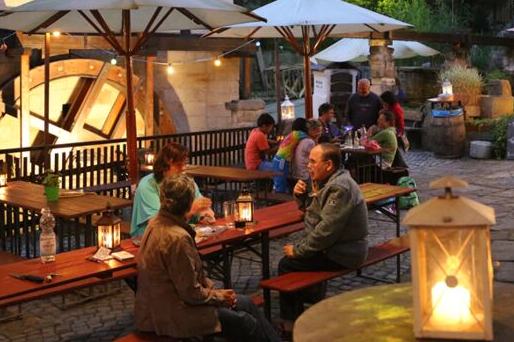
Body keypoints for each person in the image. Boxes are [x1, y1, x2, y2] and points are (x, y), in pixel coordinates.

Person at [135, 173, 280, 342]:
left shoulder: (158, 223)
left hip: (164, 305)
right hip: (171, 313)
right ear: (189, 204)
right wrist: (219, 297)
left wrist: (217, 293)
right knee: (246, 323)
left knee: (247, 303)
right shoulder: (177, 237)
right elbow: (191, 293)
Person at [277, 143, 368, 322]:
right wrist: (301, 196)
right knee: (298, 261)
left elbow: (326, 231)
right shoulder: (327, 181)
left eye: (313, 161)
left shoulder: (339, 188)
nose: (308, 166)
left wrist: (298, 250)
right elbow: (315, 212)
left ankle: (292, 322)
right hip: (339, 247)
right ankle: (311, 297)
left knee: (287, 265)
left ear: (328, 165)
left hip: (344, 253)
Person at [131, 143, 213, 238]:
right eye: (179, 165)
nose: (183, 168)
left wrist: (204, 216)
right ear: (164, 166)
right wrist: (191, 210)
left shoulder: (186, 182)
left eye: (184, 164)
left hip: (180, 234)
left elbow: (201, 206)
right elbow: (157, 224)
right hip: (150, 239)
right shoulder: (147, 185)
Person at [269, 118, 308, 193]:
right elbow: (309, 137)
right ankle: (279, 196)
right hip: (282, 160)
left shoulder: (292, 134)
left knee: (279, 180)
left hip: (278, 159)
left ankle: (279, 193)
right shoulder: (299, 134)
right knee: (280, 179)